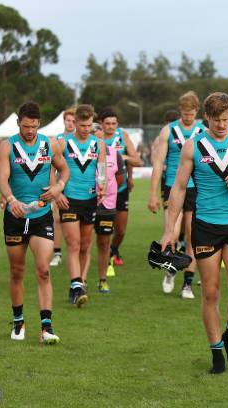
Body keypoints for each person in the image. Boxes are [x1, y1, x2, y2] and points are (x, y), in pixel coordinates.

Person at [160, 92, 228, 374]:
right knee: (211, 293)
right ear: (207, 117)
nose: (221, 125)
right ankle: (216, 350)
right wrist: (170, 230)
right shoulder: (194, 146)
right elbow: (179, 189)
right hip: (204, 227)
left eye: (226, 120)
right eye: (217, 120)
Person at [0, 101, 69, 343]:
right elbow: (3, 179)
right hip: (15, 216)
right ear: (18, 123)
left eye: (34, 126)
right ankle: (18, 322)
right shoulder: (7, 147)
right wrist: (10, 198)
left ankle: (46, 327)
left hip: (41, 216)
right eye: (26, 126)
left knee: (44, 270)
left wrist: (58, 187)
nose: (30, 131)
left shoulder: (50, 144)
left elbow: (64, 170)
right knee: (17, 271)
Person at [149, 92, 205, 298]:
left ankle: (188, 283)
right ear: (180, 110)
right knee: (171, 232)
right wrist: (153, 194)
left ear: (197, 111)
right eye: (184, 113)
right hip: (173, 186)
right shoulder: (168, 131)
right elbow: (157, 164)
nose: (188, 117)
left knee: (193, 235)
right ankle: (171, 268)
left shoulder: (203, 131)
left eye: (191, 113)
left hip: (196, 188)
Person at [57, 104, 106, 306]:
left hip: (90, 200)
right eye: (82, 125)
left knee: (86, 245)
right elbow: (51, 168)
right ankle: (76, 284)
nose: (86, 129)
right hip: (68, 199)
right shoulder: (63, 143)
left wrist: (102, 185)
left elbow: (102, 170)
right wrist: (56, 190)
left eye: (88, 125)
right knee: (74, 243)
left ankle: (79, 283)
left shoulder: (98, 144)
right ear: (74, 123)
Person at [100, 109, 142, 266]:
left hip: (121, 189)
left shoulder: (122, 137)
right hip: (101, 191)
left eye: (114, 123)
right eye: (107, 123)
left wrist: (122, 158)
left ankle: (114, 248)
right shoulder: (96, 139)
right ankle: (104, 254)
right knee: (103, 229)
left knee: (121, 230)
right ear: (101, 124)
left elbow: (137, 160)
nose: (111, 127)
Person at [93, 140, 125, 293]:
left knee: (104, 243)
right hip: (86, 202)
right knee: (82, 244)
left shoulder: (114, 152)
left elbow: (120, 177)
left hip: (107, 204)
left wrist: (109, 190)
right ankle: (80, 282)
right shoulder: (85, 151)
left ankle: (102, 280)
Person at [50, 107, 76, 267]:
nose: (71, 123)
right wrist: (56, 189)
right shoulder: (57, 140)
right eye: (68, 120)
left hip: (80, 188)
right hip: (62, 186)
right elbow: (52, 168)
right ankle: (57, 253)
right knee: (57, 219)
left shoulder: (83, 139)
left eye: (74, 121)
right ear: (64, 121)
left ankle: (76, 251)